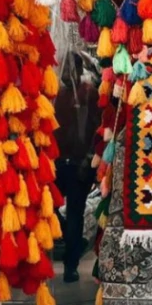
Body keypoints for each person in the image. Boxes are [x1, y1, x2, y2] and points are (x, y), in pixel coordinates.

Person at [54, 51, 100, 283]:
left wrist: (88, 159)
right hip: (58, 163)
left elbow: (95, 129)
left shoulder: (88, 93)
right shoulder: (57, 95)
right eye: (63, 68)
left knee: (74, 213)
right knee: (52, 209)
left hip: (78, 164)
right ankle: (74, 243)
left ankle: (71, 264)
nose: (65, 73)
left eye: (69, 68)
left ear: (79, 70)